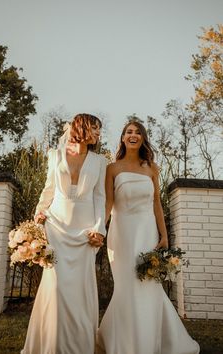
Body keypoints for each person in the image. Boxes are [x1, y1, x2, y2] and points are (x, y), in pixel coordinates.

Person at [96, 120, 200, 354]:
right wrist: (99, 228)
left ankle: (152, 339)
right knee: (125, 287)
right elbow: (108, 202)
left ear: (143, 138)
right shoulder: (112, 168)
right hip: (121, 233)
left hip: (146, 232)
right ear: (123, 138)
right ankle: (122, 342)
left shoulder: (152, 167)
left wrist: (164, 236)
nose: (133, 135)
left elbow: (156, 203)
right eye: (128, 132)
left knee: (148, 285)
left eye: (137, 132)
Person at [21, 113, 106, 354]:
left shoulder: (100, 161)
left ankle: (80, 346)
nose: (99, 133)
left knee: (80, 290)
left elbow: (100, 197)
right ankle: (52, 344)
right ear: (83, 128)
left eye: (100, 130)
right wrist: (39, 213)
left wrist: (99, 228)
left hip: (84, 233)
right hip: (56, 227)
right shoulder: (54, 155)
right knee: (56, 287)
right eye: (96, 128)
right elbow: (49, 189)